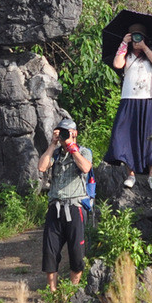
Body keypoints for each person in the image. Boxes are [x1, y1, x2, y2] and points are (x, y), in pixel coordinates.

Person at [38, 117, 93, 292]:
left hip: (75, 207)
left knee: (77, 252)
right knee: (50, 251)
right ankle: (53, 293)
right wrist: (53, 144)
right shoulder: (55, 154)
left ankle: (72, 292)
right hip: (55, 208)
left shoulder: (84, 152)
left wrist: (72, 147)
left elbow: (85, 168)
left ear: (75, 133)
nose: (63, 135)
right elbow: (41, 167)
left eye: (66, 132)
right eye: (60, 132)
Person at [108, 24, 152, 189]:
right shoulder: (126, 53)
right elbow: (117, 65)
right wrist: (123, 44)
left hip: (148, 99)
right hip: (129, 99)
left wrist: (145, 47)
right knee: (124, 135)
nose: (136, 39)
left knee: (150, 136)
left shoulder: (150, 51)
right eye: (134, 36)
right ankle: (130, 174)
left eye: (139, 36)